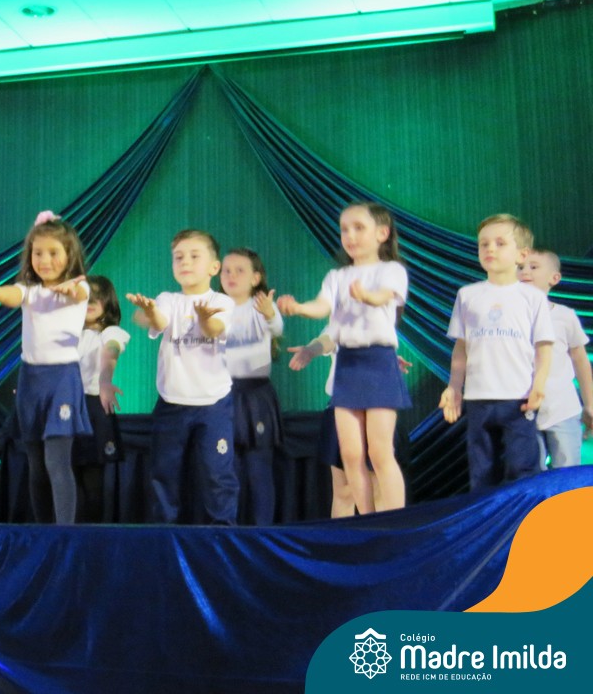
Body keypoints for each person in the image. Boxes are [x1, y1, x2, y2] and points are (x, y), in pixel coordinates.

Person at [0, 213, 90, 524]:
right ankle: (43, 532)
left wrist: (69, 290)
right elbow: (3, 295)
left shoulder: (81, 288)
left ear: (69, 255)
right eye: (38, 253)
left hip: (62, 379)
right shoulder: (29, 291)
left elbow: (77, 293)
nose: (44, 260)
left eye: (53, 253)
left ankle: (66, 532)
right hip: (31, 379)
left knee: (56, 461)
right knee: (36, 464)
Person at [277, 203, 409, 514]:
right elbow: (322, 307)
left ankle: (395, 520)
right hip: (347, 364)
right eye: (344, 230)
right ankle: (366, 518)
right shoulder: (336, 276)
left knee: (379, 452)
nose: (350, 236)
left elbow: (384, 296)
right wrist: (299, 308)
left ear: (382, 233)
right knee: (350, 454)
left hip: (377, 361)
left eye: (359, 228)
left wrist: (367, 297)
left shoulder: (391, 270)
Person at [128, 228, 238, 525]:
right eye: (178, 257)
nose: (185, 262)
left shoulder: (223, 302)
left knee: (217, 475)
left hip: (214, 404)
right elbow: (159, 320)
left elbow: (215, 329)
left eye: (193, 256)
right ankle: (164, 536)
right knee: (164, 474)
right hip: (172, 403)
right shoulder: (167, 299)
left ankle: (223, 535)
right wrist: (149, 312)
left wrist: (204, 318)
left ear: (214, 267)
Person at [439, 215, 554, 490]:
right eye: (484, 244)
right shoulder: (467, 295)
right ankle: (487, 516)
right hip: (478, 398)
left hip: (518, 397)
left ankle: (524, 515)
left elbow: (544, 347)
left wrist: (538, 386)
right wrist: (454, 387)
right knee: (481, 469)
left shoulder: (533, 297)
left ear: (522, 255)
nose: (490, 249)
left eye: (500, 243)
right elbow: (461, 347)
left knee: (522, 467)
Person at [220, 248, 285, 525]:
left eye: (240, 270)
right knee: (226, 471)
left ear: (256, 278)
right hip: (222, 395)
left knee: (259, 470)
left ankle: (262, 531)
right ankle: (229, 531)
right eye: (226, 270)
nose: (231, 276)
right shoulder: (214, 308)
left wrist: (270, 313)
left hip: (256, 397)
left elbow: (277, 327)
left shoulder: (262, 306)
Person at [519, 248, 593, 467]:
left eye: (534, 267)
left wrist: (589, 404)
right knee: (531, 473)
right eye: (520, 267)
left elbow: (581, 361)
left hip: (562, 408)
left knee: (567, 471)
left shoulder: (564, 316)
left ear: (554, 278)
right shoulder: (507, 318)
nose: (525, 271)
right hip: (521, 411)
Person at [74, 274, 128, 523]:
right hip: (66, 405)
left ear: (109, 302)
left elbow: (111, 350)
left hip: (94, 405)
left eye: (98, 296)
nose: (91, 301)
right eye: (86, 296)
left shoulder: (111, 332)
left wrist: (105, 380)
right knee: (66, 476)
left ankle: (92, 533)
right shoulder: (67, 332)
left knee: (92, 480)